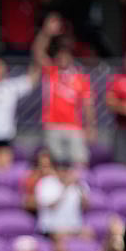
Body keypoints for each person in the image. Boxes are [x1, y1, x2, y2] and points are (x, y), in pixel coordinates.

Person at [32, 15, 95, 167]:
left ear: (71, 57)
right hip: (52, 125)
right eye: (60, 55)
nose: (63, 58)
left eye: (66, 55)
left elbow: (88, 104)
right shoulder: (51, 71)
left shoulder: (81, 78)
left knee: (80, 163)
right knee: (54, 164)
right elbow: (37, 51)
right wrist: (46, 32)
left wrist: (91, 126)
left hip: (74, 126)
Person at [35, 159, 89, 239]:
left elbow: (85, 207)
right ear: (56, 171)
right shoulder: (45, 183)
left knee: (88, 233)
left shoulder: (79, 184)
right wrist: (65, 187)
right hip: (51, 228)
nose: (64, 173)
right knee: (61, 237)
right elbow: (51, 206)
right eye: (62, 171)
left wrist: (79, 187)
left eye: (67, 171)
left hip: (73, 228)